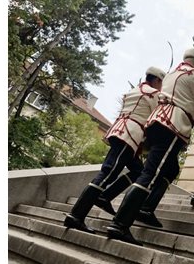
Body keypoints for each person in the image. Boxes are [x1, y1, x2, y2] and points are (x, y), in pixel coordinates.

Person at [105, 48, 194, 245]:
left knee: (170, 169)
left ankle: (146, 209)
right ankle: (120, 224)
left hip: (158, 123)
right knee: (151, 174)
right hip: (172, 126)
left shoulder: (170, 75)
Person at [63, 66, 166, 233]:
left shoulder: (134, 90)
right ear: (158, 80)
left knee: (138, 171)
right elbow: (156, 117)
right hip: (129, 135)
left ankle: (105, 197)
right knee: (107, 173)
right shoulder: (152, 94)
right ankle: (76, 215)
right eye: (162, 83)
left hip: (120, 132)